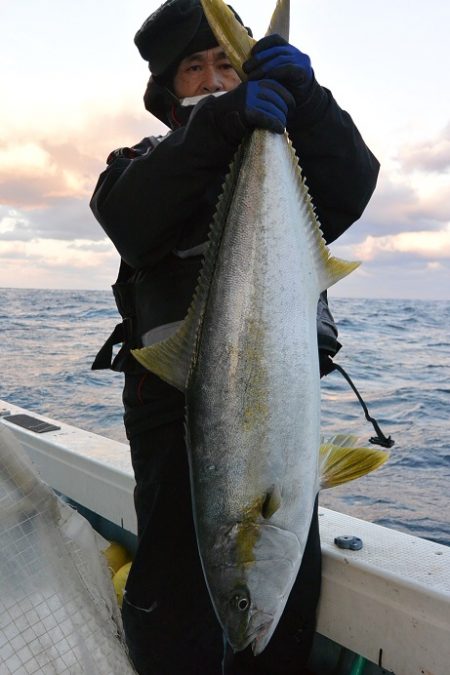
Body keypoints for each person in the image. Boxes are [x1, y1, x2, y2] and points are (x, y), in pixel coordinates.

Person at [90, 1, 380, 673]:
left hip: (281, 403)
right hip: (172, 409)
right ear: (169, 91)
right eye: (196, 68)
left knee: (288, 596)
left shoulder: (292, 163)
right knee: (171, 591)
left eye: (228, 62)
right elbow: (135, 222)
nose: (217, 79)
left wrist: (307, 103)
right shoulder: (134, 166)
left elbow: (354, 183)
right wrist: (228, 121)